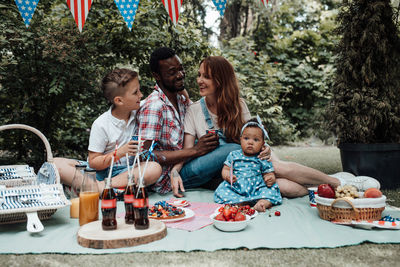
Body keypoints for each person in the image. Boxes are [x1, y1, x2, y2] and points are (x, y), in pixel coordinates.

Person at [170, 55, 380, 198]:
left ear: (221, 80)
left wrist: (265, 148)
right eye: (199, 75)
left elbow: (254, 136)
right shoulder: (194, 109)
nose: (199, 80)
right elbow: (189, 150)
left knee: (276, 179)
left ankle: (330, 188)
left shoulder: (238, 105)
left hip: (241, 166)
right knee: (238, 150)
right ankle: (338, 182)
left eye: (205, 76)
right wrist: (175, 171)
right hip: (209, 169)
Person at [54, 68, 162, 192]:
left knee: (154, 168)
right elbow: (94, 162)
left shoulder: (139, 108)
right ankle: (104, 188)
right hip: (99, 172)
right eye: (135, 92)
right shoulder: (101, 124)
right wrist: (120, 152)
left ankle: (98, 188)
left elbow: (158, 96)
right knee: (57, 164)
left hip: (125, 172)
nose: (141, 95)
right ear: (119, 100)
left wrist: (184, 95)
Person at [135, 47, 219, 195]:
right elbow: (144, 155)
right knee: (232, 149)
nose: (180, 75)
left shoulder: (181, 101)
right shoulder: (155, 106)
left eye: (181, 69)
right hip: (168, 179)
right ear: (157, 76)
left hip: (187, 164)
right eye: (172, 72)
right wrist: (194, 150)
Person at [214, 117, 282, 212]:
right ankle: (239, 202)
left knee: (271, 191)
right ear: (240, 139)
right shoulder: (234, 155)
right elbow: (226, 169)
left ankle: (261, 203)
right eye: (246, 138)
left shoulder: (261, 157)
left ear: (263, 144)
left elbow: (268, 172)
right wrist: (227, 176)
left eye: (256, 140)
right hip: (237, 186)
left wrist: (270, 178)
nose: (250, 142)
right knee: (222, 192)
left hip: (257, 187)